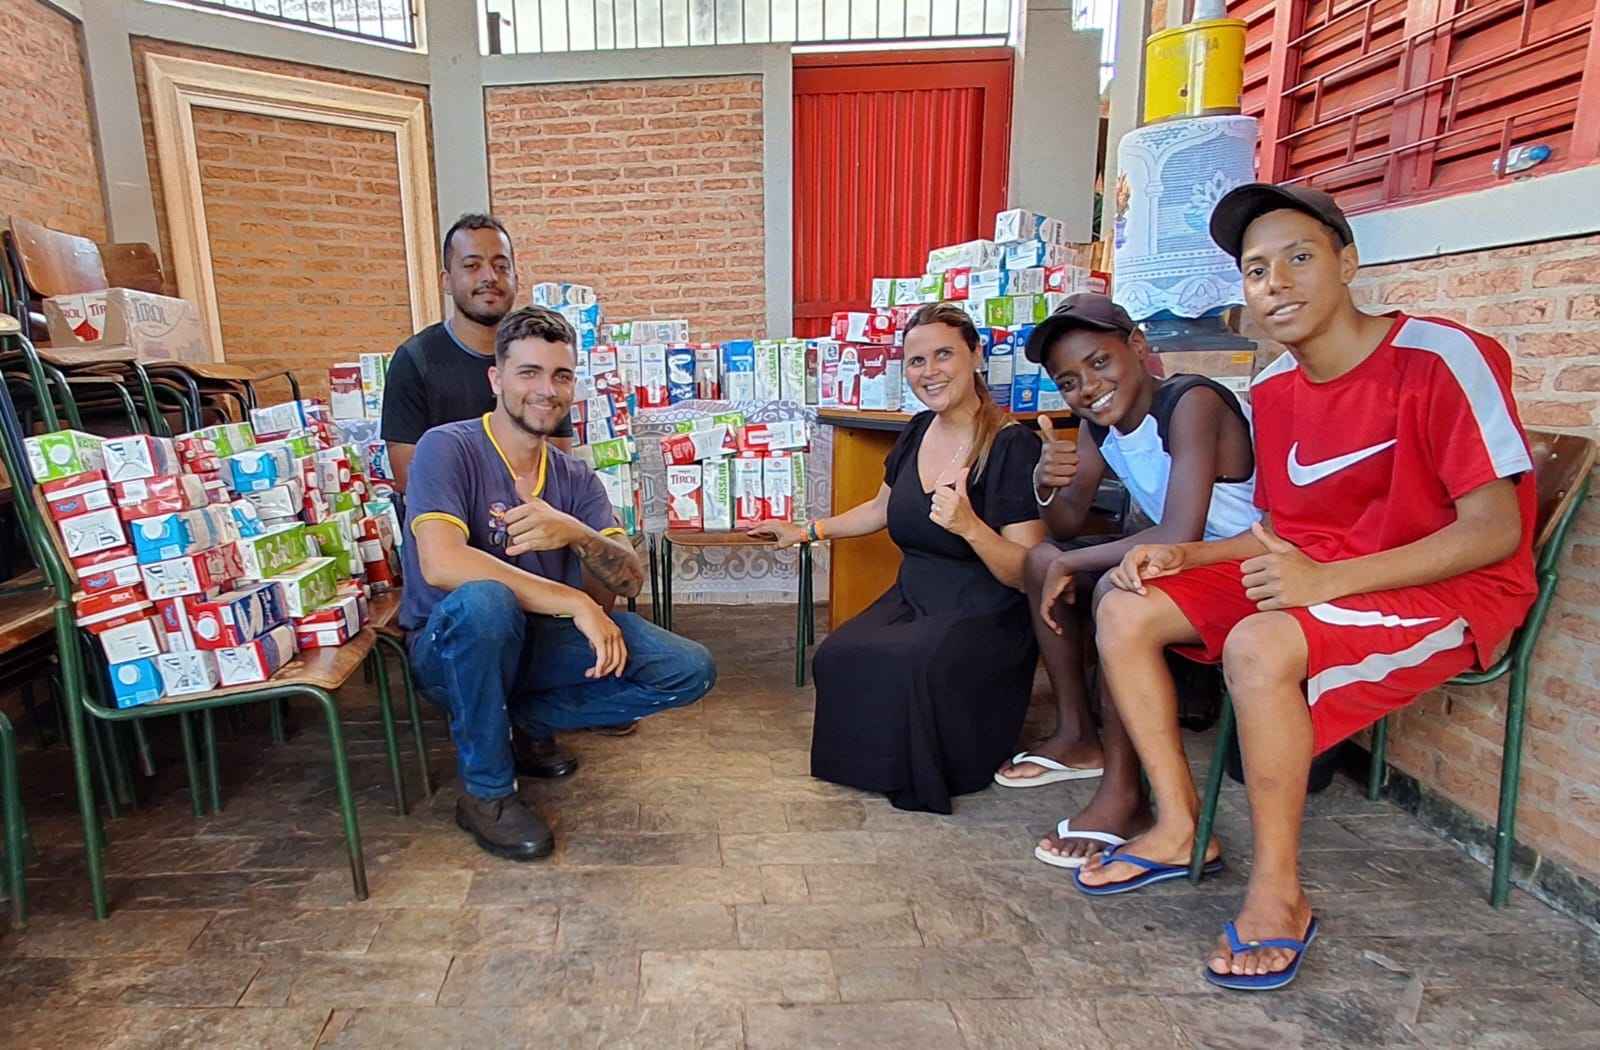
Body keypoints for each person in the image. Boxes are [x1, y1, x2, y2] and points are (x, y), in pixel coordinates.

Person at [1077, 183, 1536, 992]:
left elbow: (1495, 531)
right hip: (1320, 580)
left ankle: (1279, 894)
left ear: (1346, 263)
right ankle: (1181, 825)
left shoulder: (1439, 356)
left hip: (1449, 588)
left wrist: (1327, 578)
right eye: (1256, 271)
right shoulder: (1278, 392)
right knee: (1124, 603)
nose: (1276, 283)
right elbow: (1278, 534)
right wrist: (1189, 559)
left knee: (1258, 643)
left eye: (1298, 258)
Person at [400, 306, 717, 861]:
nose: (546, 390)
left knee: (688, 668)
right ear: (496, 379)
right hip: (450, 647)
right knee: (484, 602)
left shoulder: (574, 476)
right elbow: (442, 563)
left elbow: (627, 578)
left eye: (561, 375)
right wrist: (572, 601)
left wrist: (574, 533)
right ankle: (486, 794)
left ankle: (513, 721)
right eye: (529, 372)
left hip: (535, 642)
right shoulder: (446, 447)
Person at [987, 295, 1258, 874]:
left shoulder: (1192, 401)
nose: (1088, 386)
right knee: (1041, 559)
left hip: (1239, 562)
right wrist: (1047, 482)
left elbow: (1178, 529)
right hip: (1182, 560)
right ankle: (1077, 733)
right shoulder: (1097, 426)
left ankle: (1125, 790)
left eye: (1100, 363)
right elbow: (1064, 525)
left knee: (1115, 585)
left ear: (1138, 348)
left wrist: (1076, 564)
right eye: (1069, 380)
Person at [750, 303, 1047, 813]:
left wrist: (971, 528)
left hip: (985, 606)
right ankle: (879, 765)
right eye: (915, 361)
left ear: (975, 354)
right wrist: (808, 530)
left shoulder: (1011, 444)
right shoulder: (915, 431)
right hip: (916, 593)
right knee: (839, 655)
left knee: (914, 662)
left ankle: (932, 768)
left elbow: (1028, 571)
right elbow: (881, 508)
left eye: (944, 355)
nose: (929, 372)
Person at [382, 212, 573, 494]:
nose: (489, 277)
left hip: (535, 525)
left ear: (516, 279)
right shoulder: (415, 361)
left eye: (501, 266)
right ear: (446, 281)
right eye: (472, 265)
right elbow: (411, 479)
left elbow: (558, 470)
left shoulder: (544, 357)